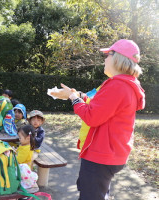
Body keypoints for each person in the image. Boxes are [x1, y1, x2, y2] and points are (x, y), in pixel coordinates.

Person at [50, 39, 145, 200]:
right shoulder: (125, 84)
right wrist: (78, 95)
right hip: (112, 153)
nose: (105, 59)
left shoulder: (117, 85)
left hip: (102, 155)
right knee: (98, 192)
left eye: (108, 54)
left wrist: (73, 98)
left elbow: (91, 116)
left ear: (118, 58)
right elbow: (100, 106)